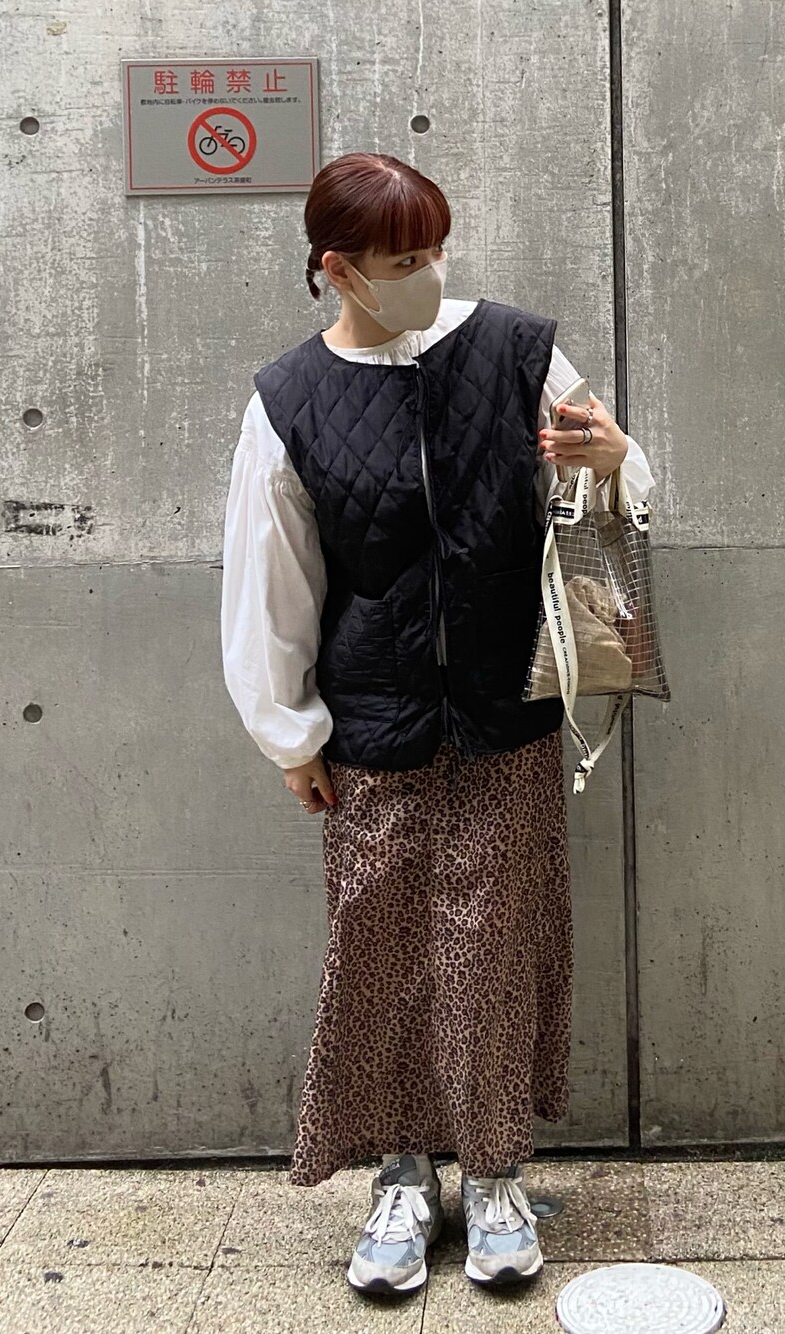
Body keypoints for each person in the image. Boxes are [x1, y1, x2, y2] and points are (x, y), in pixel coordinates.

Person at [220, 151, 655, 1297]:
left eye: (434, 249)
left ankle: (497, 1169)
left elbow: (609, 488)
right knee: (382, 949)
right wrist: (290, 734)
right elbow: (271, 578)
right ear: (339, 269)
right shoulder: (288, 399)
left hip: (507, 710)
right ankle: (403, 1175)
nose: (427, 271)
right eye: (402, 257)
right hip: (372, 722)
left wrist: (616, 460)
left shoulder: (516, 351)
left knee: (494, 946)